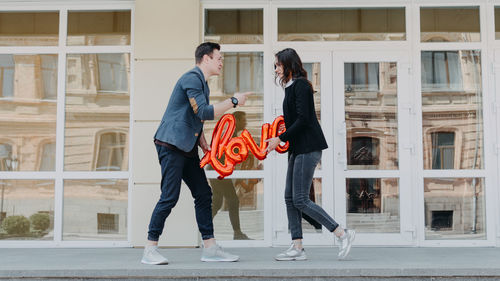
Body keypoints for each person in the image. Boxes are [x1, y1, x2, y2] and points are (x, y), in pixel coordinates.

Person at [141, 42, 252, 265]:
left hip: (187, 147)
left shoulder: (203, 84)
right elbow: (204, 112)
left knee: (203, 194)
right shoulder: (191, 78)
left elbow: (196, 117)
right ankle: (149, 249)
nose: (222, 62)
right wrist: (233, 102)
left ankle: (210, 247)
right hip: (171, 145)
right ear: (206, 58)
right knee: (169, 196)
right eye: (219, 58)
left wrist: (203, 143)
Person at [266, 48, 355, 261]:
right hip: (298, 149)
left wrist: (281, 138)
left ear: (289, 65)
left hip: (308, 147)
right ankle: (297, 247)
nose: (276, 69)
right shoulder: (290, 87)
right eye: (275, 65)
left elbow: (304, 119)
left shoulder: (302, 86)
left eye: (278, 65)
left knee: (300, 199)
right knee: (289, 198)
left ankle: (342, 233)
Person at [210, 111, 252, 240]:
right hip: (218, 172)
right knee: (233, 200)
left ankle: (202, 228)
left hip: (216, 171)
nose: (246, 122)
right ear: (237, 121)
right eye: (243, 120)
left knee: (217, 203)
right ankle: (237, 233)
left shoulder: (230, 133)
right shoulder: (229, 134)